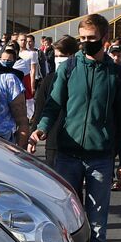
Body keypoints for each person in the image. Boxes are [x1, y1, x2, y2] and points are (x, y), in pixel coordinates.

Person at [31, 14, 121, 242]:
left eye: (91, 38)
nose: (85, 43)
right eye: (82, 38)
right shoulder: (70, 68)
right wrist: (41, 127)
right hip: (67, 155)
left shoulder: (116, 75)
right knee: (65, 224)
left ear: (105, 38)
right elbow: (53, 103)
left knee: (98, 226)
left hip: (101, 159)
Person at [31, 36, 81, 167]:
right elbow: (40, 110)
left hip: (79, 141)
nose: (59, 60)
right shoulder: (49, 79)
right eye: (56, 56)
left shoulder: (83, 79)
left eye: (63, 55)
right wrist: (33, 135)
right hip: (54, 140)